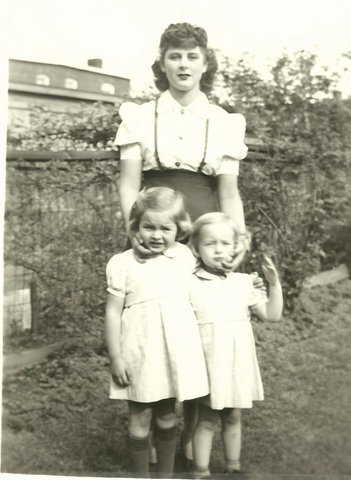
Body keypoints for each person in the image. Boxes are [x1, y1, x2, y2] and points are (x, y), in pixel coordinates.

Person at [114, 21, 250, 463]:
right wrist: (136, 234)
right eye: (175, 55)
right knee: (156, 330)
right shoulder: (139, 116)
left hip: (205, 234)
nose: (183, 64)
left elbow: (228, 191)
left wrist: (237, 241)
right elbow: (129, 183)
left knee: (199, 334)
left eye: (192, 56)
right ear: (163, 63)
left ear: (205, 63)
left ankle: (196, 441)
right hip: (158, 231)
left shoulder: (223, 121)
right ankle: (155, 434)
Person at [105, 187, 209, 475]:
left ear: (179, 229)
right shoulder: (122, 263)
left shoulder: (186, 258)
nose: (156, 235)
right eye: (148, 226)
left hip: (174, 351)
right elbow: (113, 312)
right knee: (139, 417)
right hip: (139, 351)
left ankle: (165, 475)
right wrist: (116, 357)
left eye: (165, 228)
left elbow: (211, 281)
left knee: (166, 417)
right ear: (135, 226)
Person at [189, 212, 283, 477]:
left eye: (225, 243)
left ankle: (233, 466)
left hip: (236, 362)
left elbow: (272, 315)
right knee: (206, 419)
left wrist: (274, 285)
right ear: (196, 248)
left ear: (235, 247)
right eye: (210, 244)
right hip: (207, 362)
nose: (219, 250)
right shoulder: (188, 282)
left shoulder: (243, 283)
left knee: (233, 417)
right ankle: (200, 470)